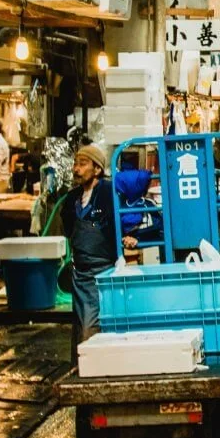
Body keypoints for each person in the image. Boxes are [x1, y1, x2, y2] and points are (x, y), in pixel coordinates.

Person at [60, 144, 135, 344]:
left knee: (91, 327)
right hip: (79, 273)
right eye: (75, 164)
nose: (76, 169)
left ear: (97, 169)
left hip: (102, 272)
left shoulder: (108, 193)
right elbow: (68, 228)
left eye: (83, 164)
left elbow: (124, 222)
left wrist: (128, 236)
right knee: (79, 326)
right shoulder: (71, 199)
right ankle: (78, 369)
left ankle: (90, 370)